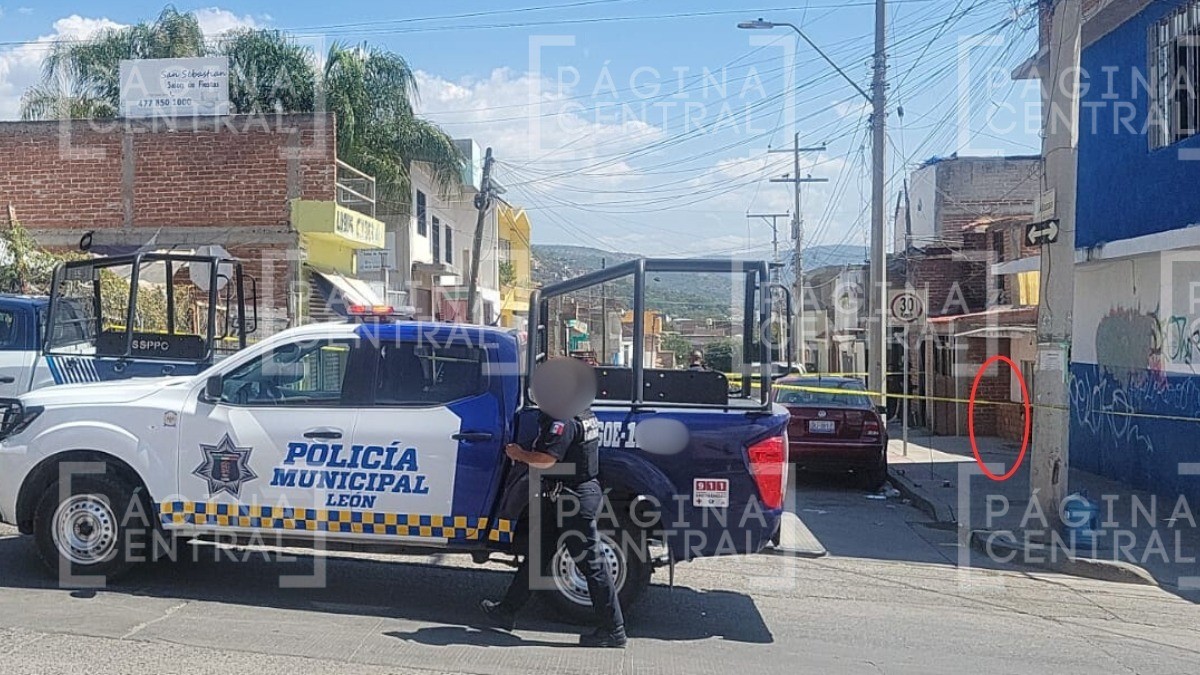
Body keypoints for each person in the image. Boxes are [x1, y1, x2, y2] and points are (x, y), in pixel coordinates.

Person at [479, 359, 626, 648]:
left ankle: (614, 630)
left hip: (573, 499)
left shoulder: (563, 419)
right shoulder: (581, 409)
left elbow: (546, 460)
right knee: (538, 554)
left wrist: (519, 454)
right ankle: (506, 612)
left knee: (591, 564)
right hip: (563, 495)